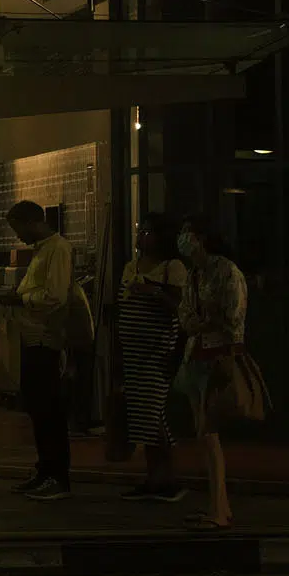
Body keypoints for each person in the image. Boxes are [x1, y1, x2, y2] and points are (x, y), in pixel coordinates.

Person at [175, 215, 269, 531]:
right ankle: (219, 507)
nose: (184, 239)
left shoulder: (227, 272)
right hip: (197, 356)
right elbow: (186, 315)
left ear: (202, 238)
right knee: (205, 435)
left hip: (219, 358)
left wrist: (201, 322)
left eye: (188, 233)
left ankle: (218, 508)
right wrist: (198, 322)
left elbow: (232, 318)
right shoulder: (193, 275)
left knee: (209, 434)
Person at [0, 200, 90, 500]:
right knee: (38, 409)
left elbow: (55, 295)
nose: (19, 237)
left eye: (18, 229)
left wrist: (20, 300)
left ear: (31, 222)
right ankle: (44, 470)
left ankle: (57, 475)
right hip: (33, 337)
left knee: (49, 409)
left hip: (47, 338)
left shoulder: (57, 249)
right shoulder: (42, 250)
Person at [117, 213, 189, 501]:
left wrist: (153, 292)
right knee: (142, 418)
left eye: (149, 231)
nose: (143, 236)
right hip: (133, 350)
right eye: (140, 230)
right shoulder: (130, 266)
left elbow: (179, 308)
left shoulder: (173, 267)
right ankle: (153, 478)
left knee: (153, 412)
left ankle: (168, 478)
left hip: (157, 349)